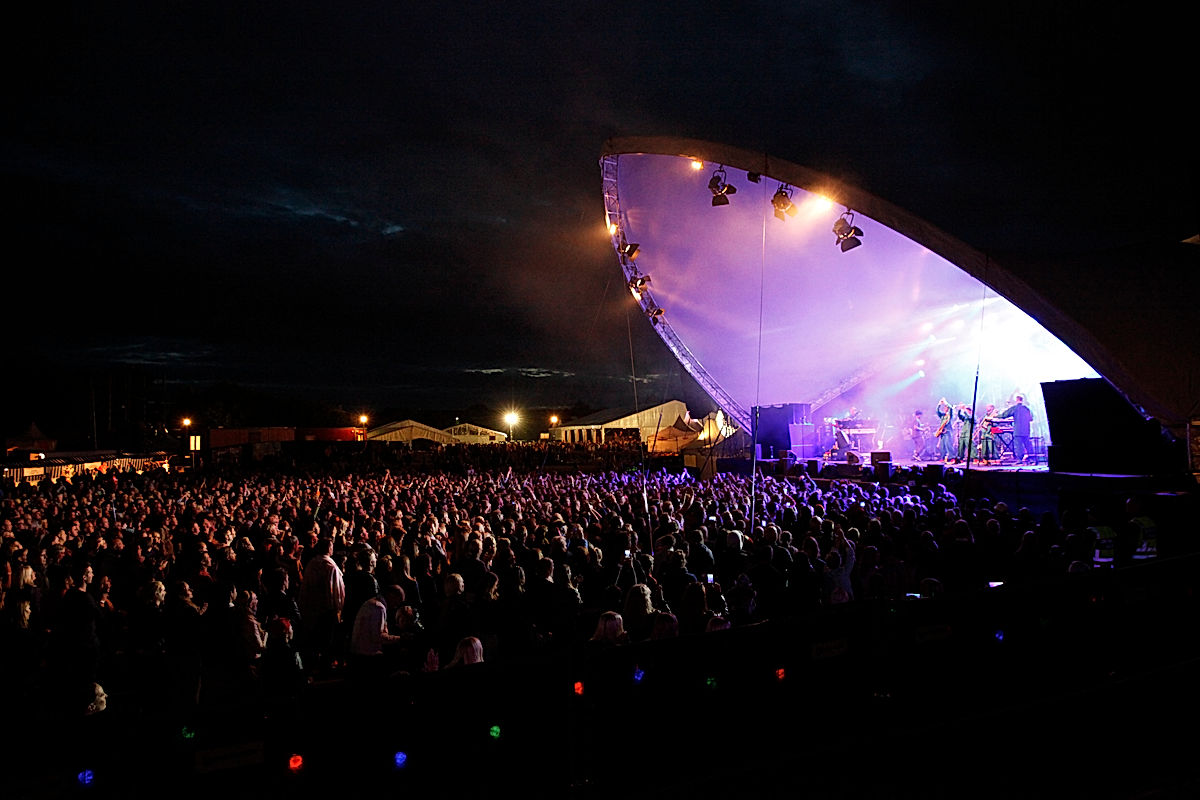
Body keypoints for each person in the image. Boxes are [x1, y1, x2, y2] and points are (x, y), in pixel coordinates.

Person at [995, 394, 1034, 463]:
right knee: (1028, 445)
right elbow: (1031, 418)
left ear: (1016, 400)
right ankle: (1032, 460)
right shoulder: (1027, 408)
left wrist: (996, 416)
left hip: (1018, 430)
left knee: (1019, 446)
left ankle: (1020, 460)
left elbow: (1004, 415)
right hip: (1026, 430)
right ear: (1022, 400)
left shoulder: (1015, 408)